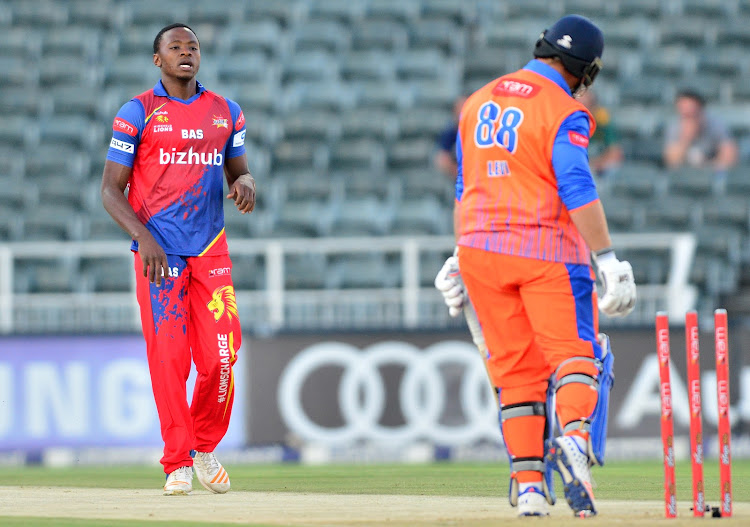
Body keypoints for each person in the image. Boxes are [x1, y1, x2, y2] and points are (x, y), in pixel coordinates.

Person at [434, 15, 636, 518]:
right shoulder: (564, 109)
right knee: (575, 355)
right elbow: (576, 184)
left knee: (516, 374)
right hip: (546, 251)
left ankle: (529, 489)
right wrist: (608, 258)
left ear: (540, 48)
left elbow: (467, 185)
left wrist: (461, 253)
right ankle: (571, 438)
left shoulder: (476, 101)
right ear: (586, 72)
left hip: (481, 252)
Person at [101, 23, 256, 496]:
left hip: (211, 249)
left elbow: (239, 168)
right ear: (158, 60)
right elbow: (110, 190)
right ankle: (176, 462)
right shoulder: (138, 112)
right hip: (159, 252)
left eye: (193, 47)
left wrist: (246, 182)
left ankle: (203, 445)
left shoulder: (226, 112)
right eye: (175, 47)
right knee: (170, 358)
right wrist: (142, 237)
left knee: (224, 355)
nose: (186, 53)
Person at [663, 89, 738, 172]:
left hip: (712, 172)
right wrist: (686, 139)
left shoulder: (716, 125)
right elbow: (672, 162)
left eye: (692, 112)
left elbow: (730, 157)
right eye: (685, 114)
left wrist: (708, 167)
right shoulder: (674, 127)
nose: (689, 118)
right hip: (684, 174)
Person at [577, 89, 623, 178]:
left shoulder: (602, 122)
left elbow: (615, 152)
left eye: (587, 105)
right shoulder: (567, 123)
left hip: (596, 170)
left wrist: (594, 164)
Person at [434, 95, 467, 181]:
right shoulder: (450, 133)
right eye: (460, 108)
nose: (462, 112)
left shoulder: (480, 132)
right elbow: (441, 159)